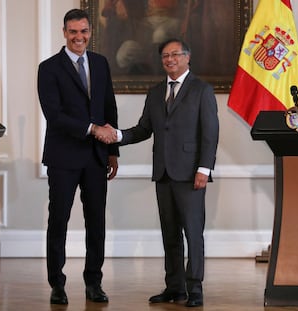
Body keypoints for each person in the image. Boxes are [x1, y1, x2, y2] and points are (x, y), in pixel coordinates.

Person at [99, 38, 219, 307]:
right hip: (163, 173)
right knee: (170, 233)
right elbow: (143, 130)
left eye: (175, 54)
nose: (170, 60)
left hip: (190, 174)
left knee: (193, 232)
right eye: (165, 56)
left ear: (187, 58)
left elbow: (210, 133)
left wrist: (204, 168)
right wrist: (117, 135)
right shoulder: (155, 92)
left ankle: (195, 288)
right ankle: (174, 287)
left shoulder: (202, 90)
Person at [37, 8, 119, 305]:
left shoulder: (100, 63)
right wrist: (92, 129)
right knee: (58, 221)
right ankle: (57, 285)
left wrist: (112, 151)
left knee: (96, 222)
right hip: (63, 157)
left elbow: (109, 106)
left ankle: (93, 283)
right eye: (73, 32)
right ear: (64, 33)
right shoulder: (48, 68)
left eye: (83, 31)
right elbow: (54, 115)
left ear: (90, 32)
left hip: (97, 158)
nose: (79, 37)